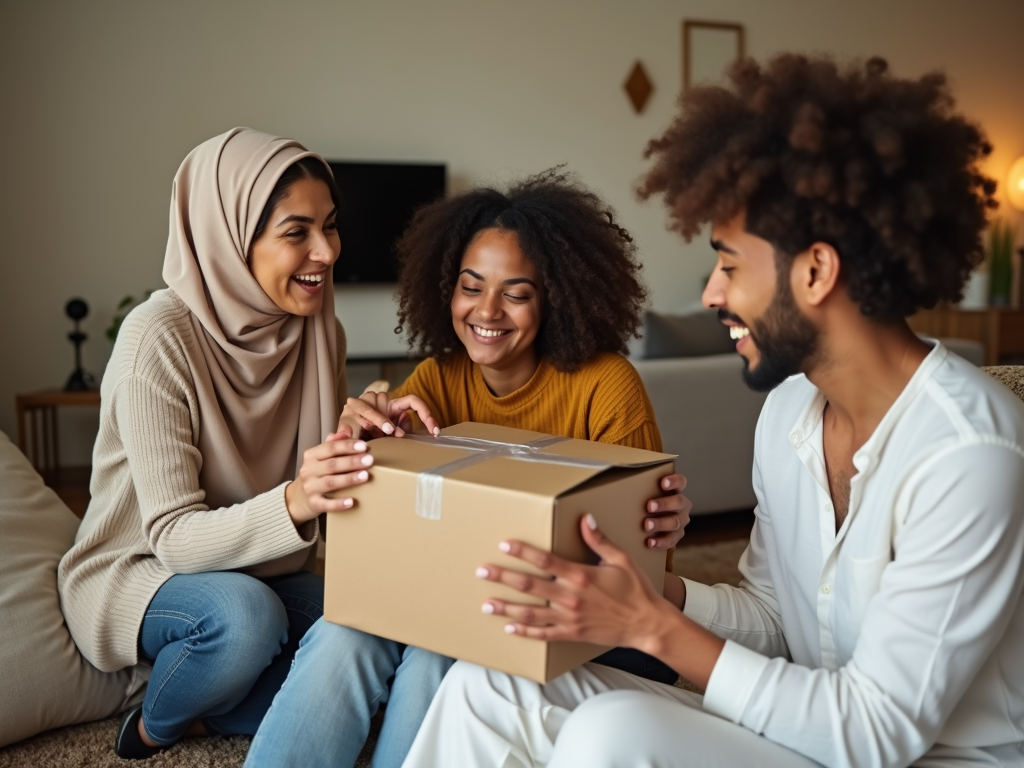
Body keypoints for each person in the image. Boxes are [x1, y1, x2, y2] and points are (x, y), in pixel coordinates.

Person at [400, 55, 1024, 768]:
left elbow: (876, 734)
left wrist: (650, 627)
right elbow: (772, 620)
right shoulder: (790, 412)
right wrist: (653, 588)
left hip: (918, 757)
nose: (711, 294)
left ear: (815, 271)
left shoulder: (968, 451)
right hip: (795, 722)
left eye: (729, 264)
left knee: (611, 734)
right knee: (491, 688)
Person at [244, 170, 691, 768]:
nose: (487, 311)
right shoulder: (436, 381)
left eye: (516, 293)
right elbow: (383, 531)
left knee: (435, 648)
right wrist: (361, 444)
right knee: (345, 624)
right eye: (470, 286)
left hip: (583, 627)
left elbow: (645, 560)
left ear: (555, 297)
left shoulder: (606, 386)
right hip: (460, 599)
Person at [56, 128, 424, 760]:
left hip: (263, 569)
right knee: (248, 621)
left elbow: (322, 488)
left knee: (382, 629)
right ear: (230, 239)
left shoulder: (318, 330)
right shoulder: (157, 338)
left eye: (331, 226)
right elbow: (172, 535)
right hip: (142, 572)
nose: (326, 251)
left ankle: (215, 714)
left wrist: (366, 444)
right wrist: (300, 500)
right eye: (296, 232)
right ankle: (158, 723)